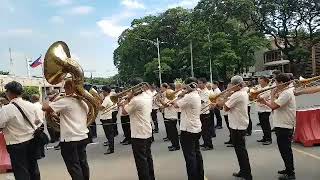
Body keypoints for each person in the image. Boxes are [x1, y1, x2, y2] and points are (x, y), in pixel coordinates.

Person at [43, 79, 90, 180]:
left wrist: (49, 98)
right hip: (83, 137)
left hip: (70, 139)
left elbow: (44, 107)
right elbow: (73, 117)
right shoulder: (84, 102)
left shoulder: (66, 101)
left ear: (70, 88)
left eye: (65, 87)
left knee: (74, 166)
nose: (64, 90)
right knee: (83, 163)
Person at [0, 81, 42, 180]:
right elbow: (38, 122)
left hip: (16, 143)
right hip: (32, 140)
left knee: (21, 170)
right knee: (33, 167)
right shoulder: (31, 105)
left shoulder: (6, 109)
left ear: (10, 93)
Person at [258, 73, 296, 180]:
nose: (274, 85)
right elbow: (275, 103)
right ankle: (288, 168)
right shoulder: (284, 91)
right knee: (283, 149)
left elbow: (273, 106)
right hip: (281, 124)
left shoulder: (286, 93)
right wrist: (273, 94)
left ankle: (290, 173)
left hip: (285, 125)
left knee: (285, 149)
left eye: (276, 83)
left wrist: (265, 100)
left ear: (282, 83)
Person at [216, 75, 252, 180]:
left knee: (241, 151)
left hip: (237, 125)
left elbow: (225, 107)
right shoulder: (241, 92)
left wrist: (226, 94)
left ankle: (247, 174)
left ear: (236, 84)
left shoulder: (237, 95)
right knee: (240, 150)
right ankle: (243, 171)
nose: (230, 86)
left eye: (231, 84)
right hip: (238, 124)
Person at [121, 79, 155, 180]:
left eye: (131, 88)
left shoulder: (136, 100)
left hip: (138, 134)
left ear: (134, 88)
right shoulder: (147, 96)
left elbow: (124, 112)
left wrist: (124, 102)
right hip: (147, 131)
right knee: (148, 158)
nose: (129, 90)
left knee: (141, 162)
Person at [172, 77, 205, 180]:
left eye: (185, 85)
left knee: (189, 156)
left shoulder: (189, 96)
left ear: (188, 85)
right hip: (196, 127)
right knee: (196, 153)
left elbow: (176, 105)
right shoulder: (196, 93)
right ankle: (199, 175)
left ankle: (193, 177)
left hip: (188, 129)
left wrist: (179, 96)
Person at [158, 83, 180, 151]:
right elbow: (164, 105)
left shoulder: (171, 96)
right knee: (171, 132)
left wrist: (160, 100)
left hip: (172, 116)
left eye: (168, 89)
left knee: (173, 133)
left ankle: (176, 146)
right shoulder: (169, 96)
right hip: (168, 115)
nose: (167, 90)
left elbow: (166, 105)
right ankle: (174, 144)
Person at [198, 78, 214, 151]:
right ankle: (205, 143)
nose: (198, 84)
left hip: (205, 113)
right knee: (203, 130)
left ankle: (209, 145)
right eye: (198, 83)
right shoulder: (201, 91)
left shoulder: (206, 92)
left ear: (204, 84)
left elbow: (200, 101)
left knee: (206, 130)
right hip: (201, 112)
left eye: (200, 83)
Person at [256, 76, 272, 145]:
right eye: (259, 81)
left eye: (261, 81)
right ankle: (265, 137)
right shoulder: (260, 88)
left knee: (266, 125)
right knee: (262, 125)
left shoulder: (267, 89)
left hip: (265, 109)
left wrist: (255, 94)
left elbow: (260, 98)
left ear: (265, 82)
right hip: (260, 109)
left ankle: (268, 139)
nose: (259, 82)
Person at [100, 85, 115, 154]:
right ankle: (110, 146)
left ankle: (111, 148)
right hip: (107, 118)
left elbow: (101, 108)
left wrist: (96, 104)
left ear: (106, 92)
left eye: (103, 91)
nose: (102, 93)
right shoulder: (109, 98)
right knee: (109, 134)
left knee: (109, 134)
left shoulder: (106, 99)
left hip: (106, 118)